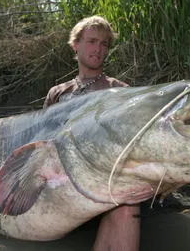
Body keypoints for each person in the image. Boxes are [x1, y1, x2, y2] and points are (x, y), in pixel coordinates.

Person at [43, 16, 140, 251]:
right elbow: (43, 144)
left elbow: (130, 144)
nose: (98, 49)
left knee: (127, 204)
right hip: (63, 182)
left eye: (104, 44)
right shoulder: (57, 93)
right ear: (76, 45)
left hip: (105, 180)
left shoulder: (120, 91)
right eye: (92, 41)